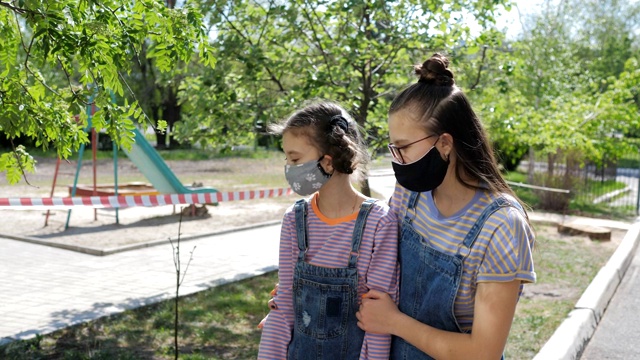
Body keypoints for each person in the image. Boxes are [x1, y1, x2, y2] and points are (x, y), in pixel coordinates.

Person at [355, 53, 536, 360]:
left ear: (444, 144)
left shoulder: (502, 226)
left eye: (403, 148)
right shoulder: (410, 195)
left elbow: (484, 352)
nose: (397, 159)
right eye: (393, 148)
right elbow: (374, 260)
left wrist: (393, 322)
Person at [258, 101, 399, 359]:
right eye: (287, 158)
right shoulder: (294, 220)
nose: (288, 168)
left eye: (295, 158)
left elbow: (379, 323)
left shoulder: (379, 222)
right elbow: (284, 308)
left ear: (329, 162)